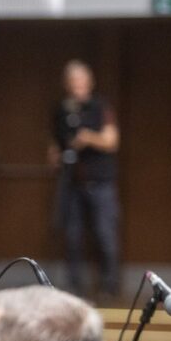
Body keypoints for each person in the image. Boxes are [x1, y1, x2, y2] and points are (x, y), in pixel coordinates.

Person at [47, 60, 121, 298]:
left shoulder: (100, 106)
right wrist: (56, 155)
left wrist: (88, 138)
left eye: (81, 80)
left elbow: (112, 141)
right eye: (72, 81)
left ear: (89, 82)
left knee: (104, 234)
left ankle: (109, 287)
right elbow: (55, 143)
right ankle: (73, 287)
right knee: (72, 236)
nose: (77, 85)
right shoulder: (62, 109)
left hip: (100, 181)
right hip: (71, 182)